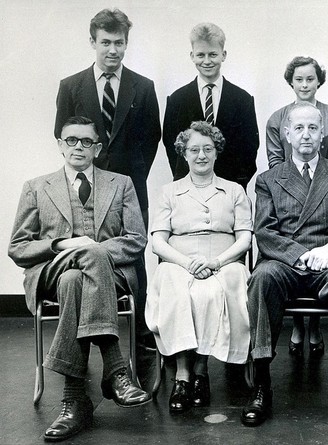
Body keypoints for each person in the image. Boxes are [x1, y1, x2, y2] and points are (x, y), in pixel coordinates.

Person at [9, 116, 151, 442]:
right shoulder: (36, 187)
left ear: (98, 148)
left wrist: (94, 250)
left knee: (76, 278)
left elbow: (135, 239)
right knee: (79, 263)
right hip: (51, 269)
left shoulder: (121, 183)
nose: (78, 147)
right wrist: (63, 244)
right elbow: (18, 247)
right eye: (71, 140)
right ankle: (116, 370)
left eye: (86, 141)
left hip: (104, 276)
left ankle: (74, 400)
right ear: (59, 143)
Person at [242, 103, 328, 427]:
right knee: (262, 279)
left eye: (313, 127)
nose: (306, 135)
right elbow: (265, 231)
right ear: (286, 133)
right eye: (298, 128)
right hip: (285, 261)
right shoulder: (269, 178)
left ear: (323, 131)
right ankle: (261, 383)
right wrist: (299, 255)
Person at [53, 7, 161, 353]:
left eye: (119, 43)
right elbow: (63, 132)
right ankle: (79, 325)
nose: (112, 50)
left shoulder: (143, 87)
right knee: (84, 245)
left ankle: (142, 331)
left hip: (128, 183)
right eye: (105, 42)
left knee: (134, 248)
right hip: (84, 183)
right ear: (92, 42)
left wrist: (129, 178)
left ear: (126, 44)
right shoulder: (71, 86)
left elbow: (152, 136)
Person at [145, 121, 252, 414]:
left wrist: (218, 261)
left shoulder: (233, 191)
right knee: (172, 283)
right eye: (194, 150)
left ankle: (201, 371)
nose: (201, 155)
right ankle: (182, 374)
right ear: (183, 153)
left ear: (216, 152)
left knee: (219, 288)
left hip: (224, 262)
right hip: (180, 263)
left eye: (207, 149)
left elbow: (244, 238)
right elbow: (157, 241)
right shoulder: (169, 192)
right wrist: (186, 263)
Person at [266, 56, 328, 359]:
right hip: (290, 192)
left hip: (325, 194)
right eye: (298, 79)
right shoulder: (277, 118)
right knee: (293, 252)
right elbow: (276, 163)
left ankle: (314, 324)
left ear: (318, 81)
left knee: (319, 246)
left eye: (310, 79)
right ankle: (298, 323)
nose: (304, 85)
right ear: (291, 82)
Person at [163, 22, 259, 189]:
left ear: (224, 55)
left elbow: (250, 147)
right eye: (201, 55)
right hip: (189, 190)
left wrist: (236, 184)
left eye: (213, 54)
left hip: (230, 188)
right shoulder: (177, 100)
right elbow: (172, 147)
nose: (207, 61)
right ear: (192, 55)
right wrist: (187, 183)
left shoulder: (243, 100)